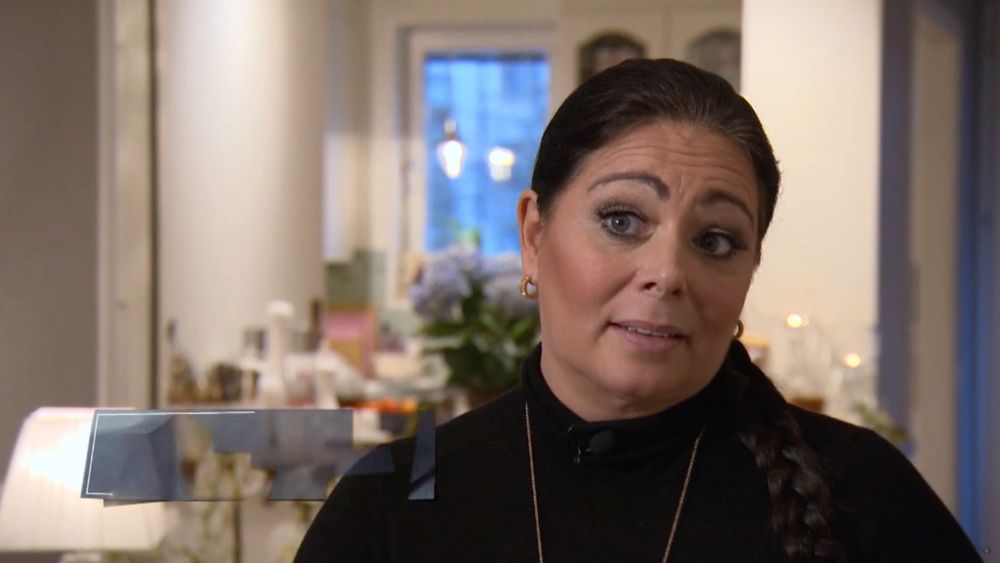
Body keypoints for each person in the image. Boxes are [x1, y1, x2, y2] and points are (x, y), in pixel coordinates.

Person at [296, 59, 982, 562]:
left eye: (716, 240)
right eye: (621, 220)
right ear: (534, 235)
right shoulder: (392, 503)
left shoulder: (865, 493)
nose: (667, 274)